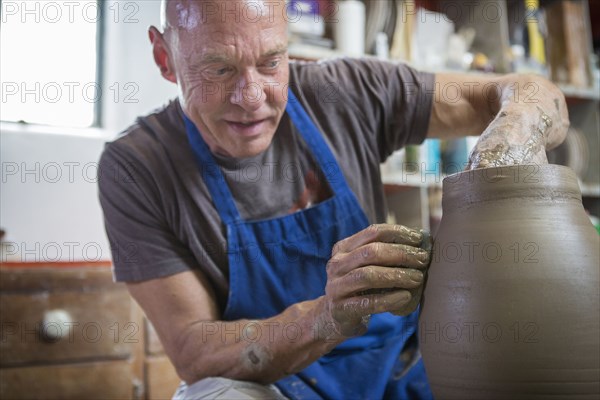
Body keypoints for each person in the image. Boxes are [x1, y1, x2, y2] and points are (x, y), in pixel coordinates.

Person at [98, 0, 569, 398]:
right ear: (165, 57)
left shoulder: (343, 92)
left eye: (270, 62)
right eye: (218, 68)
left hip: (406, 361)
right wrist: (325, 317)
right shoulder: (137, 167)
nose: (250, 96)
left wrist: (514, 131)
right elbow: (193, 351)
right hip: (278, 382)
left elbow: (530, 93)